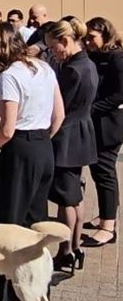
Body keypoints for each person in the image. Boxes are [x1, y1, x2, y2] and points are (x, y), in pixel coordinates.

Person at [0, 22, 64, 300]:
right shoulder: (44, 67)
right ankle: (37, 283)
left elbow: (8, 129)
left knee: (6, 222)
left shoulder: (9, 75)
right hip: (44, 148)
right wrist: (41, 139)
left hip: (20, 150)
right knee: (35, 220)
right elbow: (59, 115)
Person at [45, 18, 98, 271]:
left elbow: (59, 109)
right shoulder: (88, 63)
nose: (53, 53)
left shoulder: (72, 70)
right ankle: (75, 248)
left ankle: (67, 251)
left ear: (65, 41)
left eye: (54, 47)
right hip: (82, 133)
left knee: (66, 199)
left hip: (66, 137)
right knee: (75, 196)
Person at [81, 17, 123, 247]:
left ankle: (109, 227)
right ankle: (105, 215)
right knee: (98, 172)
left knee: (105, 172)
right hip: (96, 122)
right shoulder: (95, 56)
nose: (87, 41)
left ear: (105, 35)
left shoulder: (117, 57)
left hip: (110, 123)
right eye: (85, 37)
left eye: (92, 37)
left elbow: (120, 94)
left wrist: (92, 109)